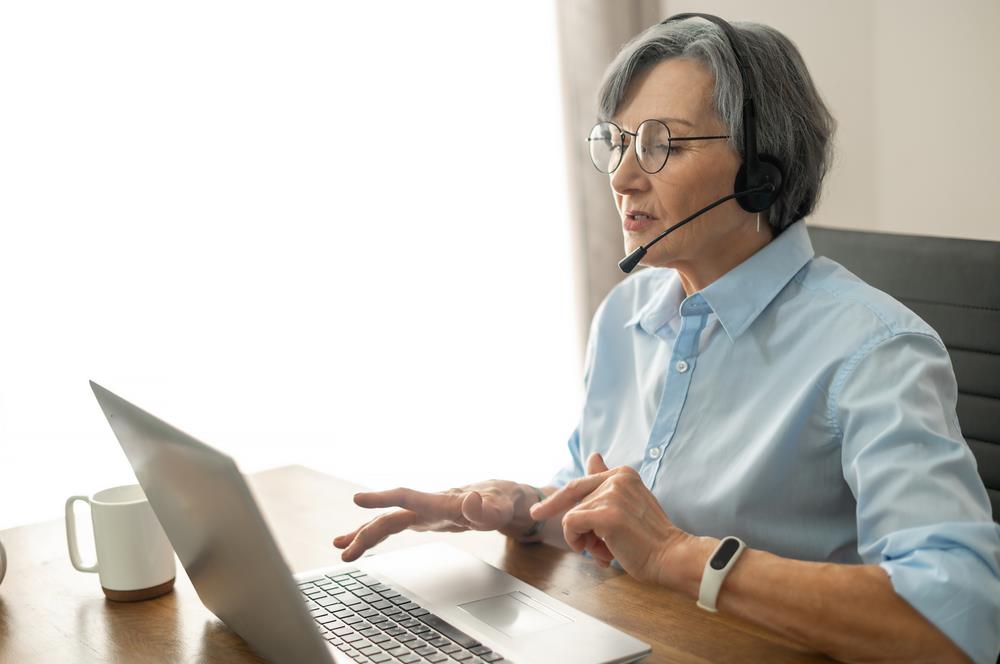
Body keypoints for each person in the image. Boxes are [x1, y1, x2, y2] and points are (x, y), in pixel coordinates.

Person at [333, 15, 1000, 663]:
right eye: (616, 143)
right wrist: (521, 510)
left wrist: (676, 556)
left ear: (760, 169)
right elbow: (594, 510)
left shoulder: (874, 349)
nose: (622, 177)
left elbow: (960, 619)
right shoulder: (627, 314)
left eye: (661, 145)